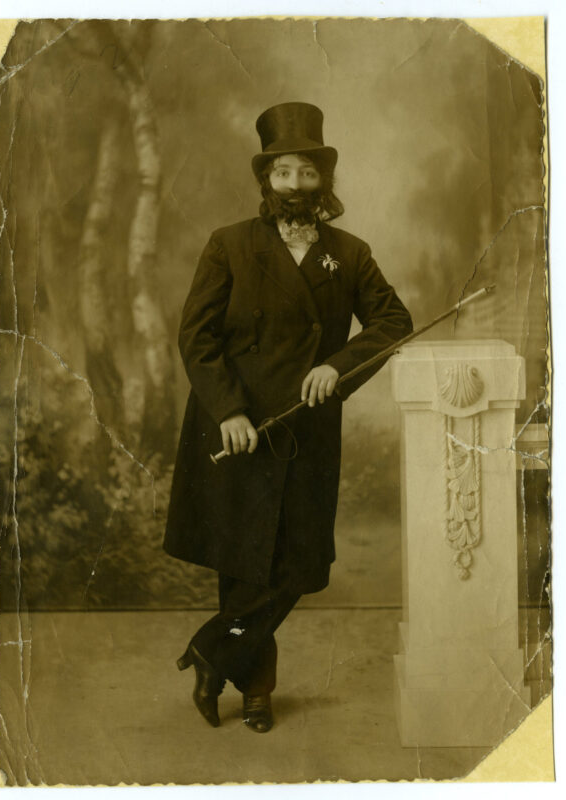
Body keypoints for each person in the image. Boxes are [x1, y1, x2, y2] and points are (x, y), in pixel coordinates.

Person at [164, 102, 412, 733]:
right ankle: (257, 695)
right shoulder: (229, 245)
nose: (296, 186)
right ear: (265, 180)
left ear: (323, 180)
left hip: (305, 426)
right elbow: (196, 337)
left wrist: (338, 365)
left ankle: (213, 650)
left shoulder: (349, 253)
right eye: (284, 174)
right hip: (238, 426)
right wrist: (228, 410)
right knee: (246, 560)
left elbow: (393, 321)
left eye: (307, 173)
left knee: (298, 564)